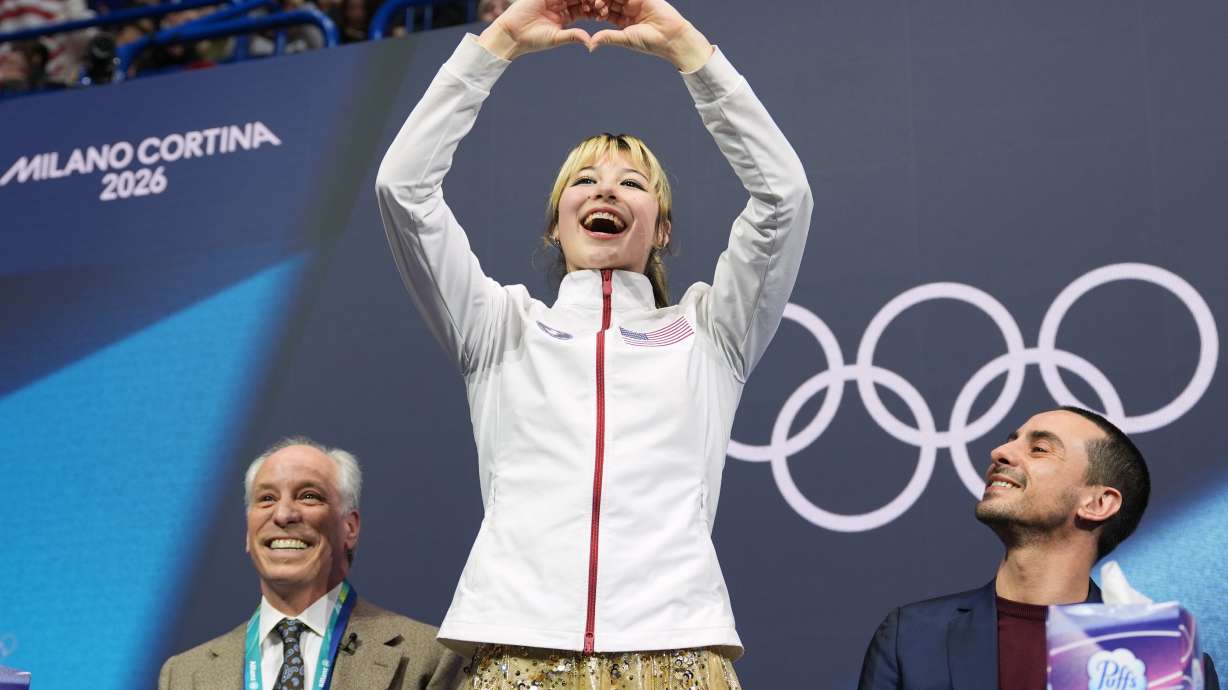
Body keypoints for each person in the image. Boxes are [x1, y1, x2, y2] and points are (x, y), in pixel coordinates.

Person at [374, 0, 812, 686]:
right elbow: (402, 190)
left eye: (632, 183)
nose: (606, 189)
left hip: (676, 652)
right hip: (515, 651)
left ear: (661, 229)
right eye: (584, 180)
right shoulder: (499, 327)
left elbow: (784, 199)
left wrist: (690, 53)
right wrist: (498, 45)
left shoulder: (711, 332)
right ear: (555, 223)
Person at [857, 406, 1220, 690]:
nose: (1000, 452)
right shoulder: (913, 634)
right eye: (1012, 440)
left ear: (1097, 503)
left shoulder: (1164, 664)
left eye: (1040, 449)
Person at [159, 438, 463, 690]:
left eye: (308, 496)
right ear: (248, 533)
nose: (283, 515)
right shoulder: (183, 675)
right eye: (266, 498)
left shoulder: (428, 657)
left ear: (349, 527)